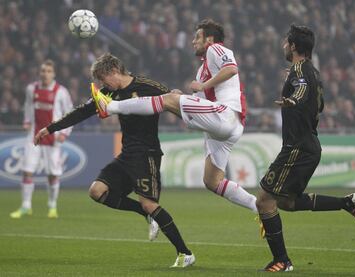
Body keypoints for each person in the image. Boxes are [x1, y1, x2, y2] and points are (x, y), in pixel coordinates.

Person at [34, 53, 195, 268]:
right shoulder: (108, 92)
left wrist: (192, 116)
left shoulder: (147, 85)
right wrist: (50, 128)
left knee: (150, 203)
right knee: (97, 191)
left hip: (146, 153)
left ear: (113, 71)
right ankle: (145, 214)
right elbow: (82, 112)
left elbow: (175, 100)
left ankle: (185, 253)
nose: (102, 84)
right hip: (127, 153)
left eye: (103, 78)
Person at [93, 19, 258, 214]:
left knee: (167, 100)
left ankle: (111, 107)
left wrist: (200, 88)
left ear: (209, 39)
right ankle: (258, 206)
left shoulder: (216, 49)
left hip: (225, 115)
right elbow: (198, 104)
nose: (193, 41)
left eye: (197, 37)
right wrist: (183, 97)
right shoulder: (202, 69)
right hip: (224, 128)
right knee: (212, 181)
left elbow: (231, 69)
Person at [255, 25, 355, 272]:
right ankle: (346, 203)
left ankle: (282, 261)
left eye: (286, 42)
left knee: (264, 200)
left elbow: (302, 90)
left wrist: (293, 98)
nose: (284, 45)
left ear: (294, 46)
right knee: (287, 202)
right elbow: (321, 104)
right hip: (309, 145)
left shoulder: (299, 71)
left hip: (297, 146)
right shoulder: (314, 73)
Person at [10, 59, 73, 219]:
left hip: (53, 138)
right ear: (39, 72)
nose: (45, 74)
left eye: (48, 71)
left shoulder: (61, 91)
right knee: (27, 171)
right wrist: (26, 121)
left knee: (53, 174)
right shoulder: (32, 89)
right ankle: (26, 206)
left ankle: (52, 206)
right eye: (43, 71)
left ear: (54, 74)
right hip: (34, 135)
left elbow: (71, 114)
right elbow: (28, 106)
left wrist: (64, 132)